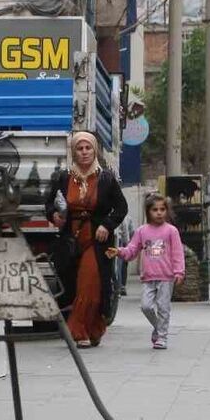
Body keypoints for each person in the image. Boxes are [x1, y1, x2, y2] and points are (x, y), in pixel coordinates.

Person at [47, 131, 128, 348]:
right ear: (73, 152)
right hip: (70, 240)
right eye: (79, 149)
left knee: (90, 283)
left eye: (88, 148)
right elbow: (49, 205)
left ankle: (78, 330)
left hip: (96, 240)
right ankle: (94, 329)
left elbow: (121, 208)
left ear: (94, 151)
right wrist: (54, 216)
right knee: (73, 284)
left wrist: (107, 225)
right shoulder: (63, 178)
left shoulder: (106, 179)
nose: (84, 153)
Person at [106, 193, 185, 349]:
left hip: (166, 277)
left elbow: (177, 252)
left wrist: (179, 272)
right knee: (146, 306)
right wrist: (120, 251)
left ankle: (162, 337)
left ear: (167, 211)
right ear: (148, 211)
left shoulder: (171, 231)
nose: (159, 212)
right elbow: (132, 250)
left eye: (162, 209)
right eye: (155, 209)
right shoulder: (142, 231)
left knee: (163, 308)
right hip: (148, 277)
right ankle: (157, 328)